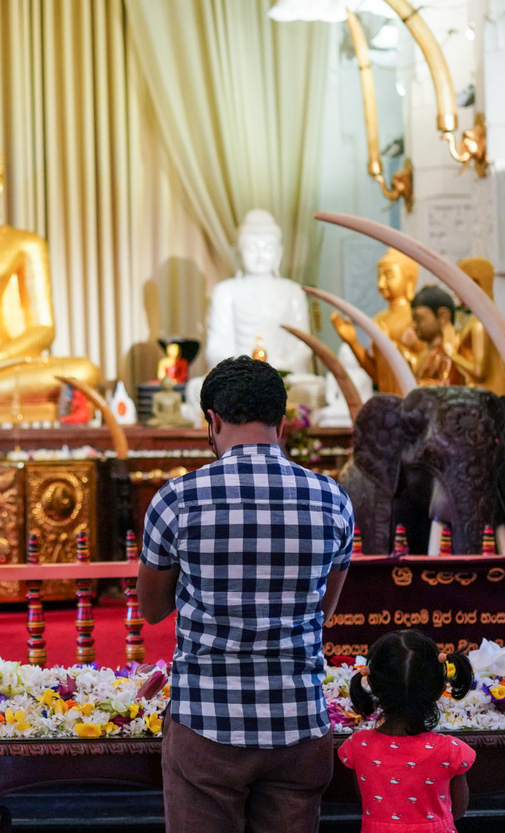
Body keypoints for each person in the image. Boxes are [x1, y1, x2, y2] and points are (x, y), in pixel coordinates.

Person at [138, 355, 354, 833]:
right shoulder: (332, 499)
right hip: (299, 721)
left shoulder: (177, 499)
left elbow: (152, 610)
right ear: (282, 423)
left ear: (212, 421)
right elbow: (325, 609)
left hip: (207, 722)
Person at [340, 630, 475, 833]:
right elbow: (458, 811)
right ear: (439, 688)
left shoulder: (358, 746)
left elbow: (367, 802)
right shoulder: (451, 750)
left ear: (373, 686)